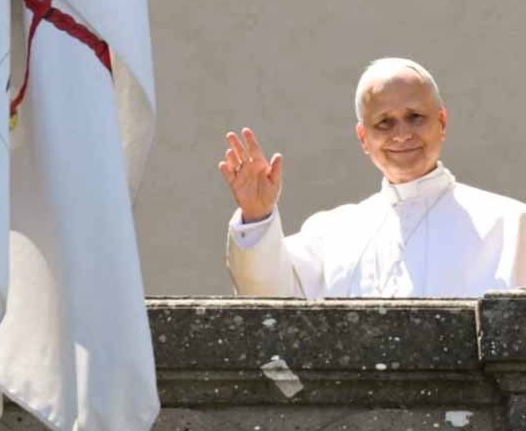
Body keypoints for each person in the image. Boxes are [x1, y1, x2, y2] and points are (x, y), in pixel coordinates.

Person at [219, 57, 526, 298]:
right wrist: (257, 215)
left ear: (442, 122)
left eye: (415, 117)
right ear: (363, 138)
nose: (402, 134)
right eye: (384, 123)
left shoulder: (511, 224)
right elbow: (269, 302)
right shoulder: (333, 233)